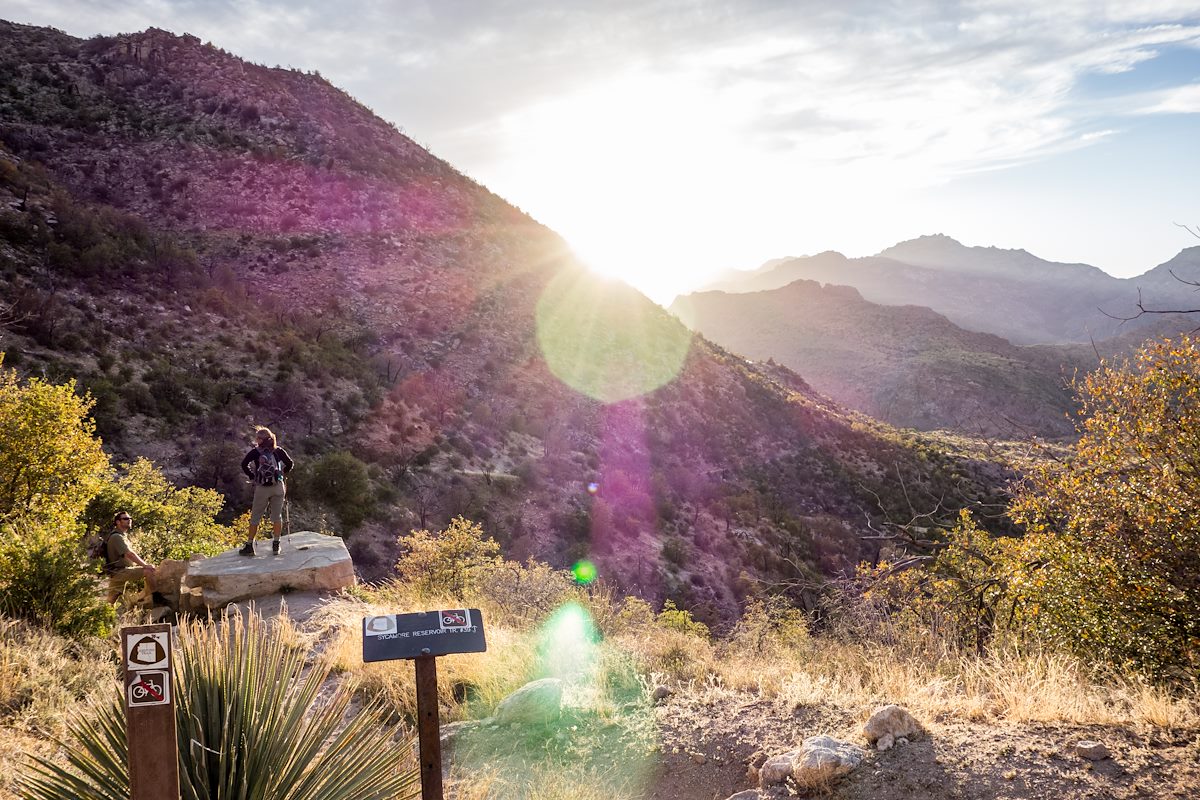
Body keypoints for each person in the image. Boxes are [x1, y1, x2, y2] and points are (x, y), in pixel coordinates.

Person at [239, 426, 294, 556]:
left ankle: (249, 546)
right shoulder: (278, 450)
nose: (256, 440)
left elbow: (244, 464)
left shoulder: (255, 452)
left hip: (262, 488)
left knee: (255, 517)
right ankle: (276, 544)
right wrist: (281, 473)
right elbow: (290, 463)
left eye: (257, 438)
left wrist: (252, 476)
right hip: (278, 486)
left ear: (260, 440)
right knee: (276, 516)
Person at [103, 511, 158, 603]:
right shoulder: (117, 537)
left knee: (111, 601)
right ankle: (157, 599)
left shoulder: (121, 535)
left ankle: (104, 613)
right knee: (149, 572)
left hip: (117, 572)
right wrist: (145, 565)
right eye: (125, 519)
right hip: (120, 571)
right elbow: (129, 554)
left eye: (130, 519)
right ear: (118, 522)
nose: (129, 520)